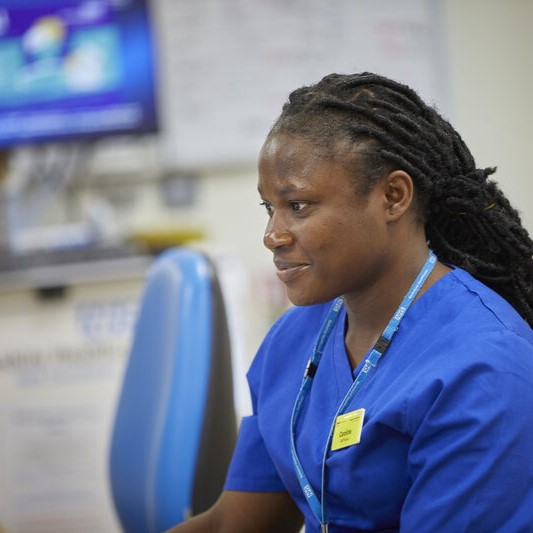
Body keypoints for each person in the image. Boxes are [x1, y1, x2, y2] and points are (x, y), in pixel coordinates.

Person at [167, 72, 533, 532]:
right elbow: (232, 525)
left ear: (393, 197)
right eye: (269, 208)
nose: (272, 235)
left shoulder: (485, 368)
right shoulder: (295, 337)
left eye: (298, 205)